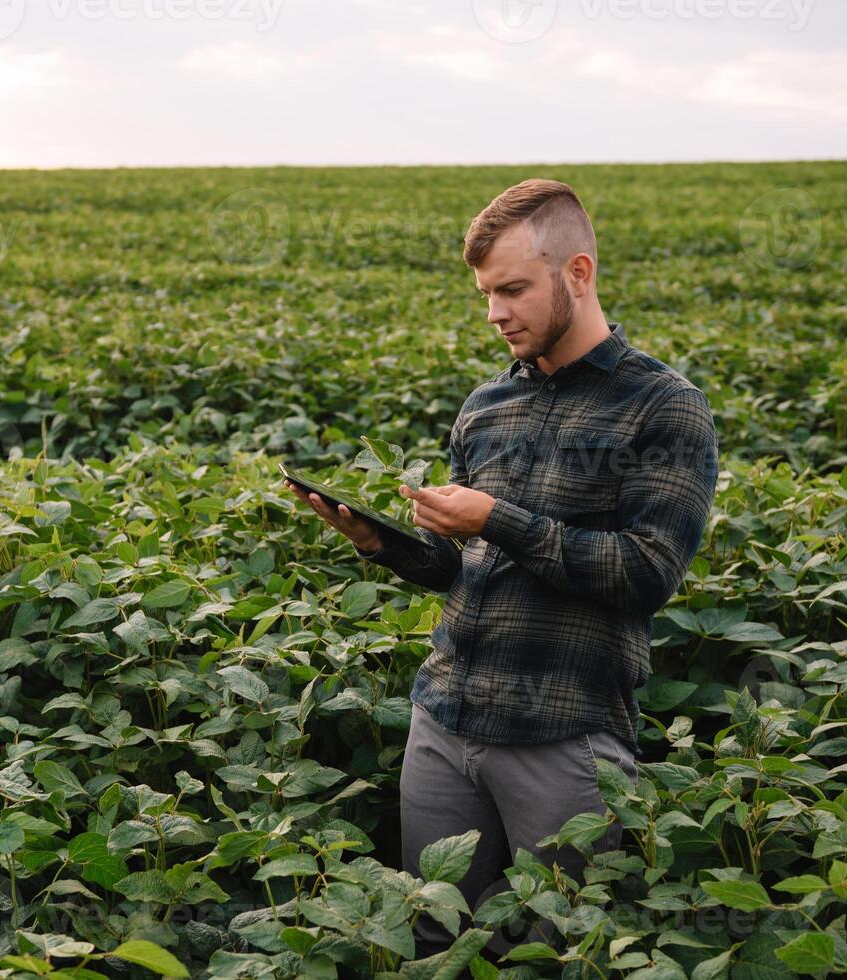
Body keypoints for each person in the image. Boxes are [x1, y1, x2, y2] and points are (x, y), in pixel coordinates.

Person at [284, 178, 719, 958]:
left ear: (577, 273)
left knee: (561, 947)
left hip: (563, 735)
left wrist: (498, 518)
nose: (495, 312)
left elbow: (646, 574)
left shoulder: (663, 407)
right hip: (444, 723)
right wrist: (382, 544)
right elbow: (466, 570)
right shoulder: (486, 406)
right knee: (430, 937)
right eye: (486, 293)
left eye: (513, 288)